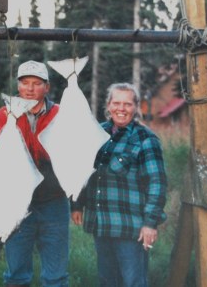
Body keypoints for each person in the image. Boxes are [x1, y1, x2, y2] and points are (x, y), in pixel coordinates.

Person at [0, 60, 70, 287]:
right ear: (18, 86)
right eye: (25, 83)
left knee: (56, 276)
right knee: (16, 274)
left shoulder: (61, 114)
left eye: (36, 83)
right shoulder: (4, 114)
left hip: (54, 203)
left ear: (47, 87)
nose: (30, 89)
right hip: (15, 203)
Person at [71, 82, 167, 287]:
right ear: (108, 105)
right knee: (107, 282)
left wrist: (150, 223)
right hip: (101, 224)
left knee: (133, 282)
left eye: (127, 104)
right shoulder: (97, 133)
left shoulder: (145, 139)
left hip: (131, 229)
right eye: (116, 103)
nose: (121, 109)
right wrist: (77, 204)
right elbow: (82, 171)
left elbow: (157, 184)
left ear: (136, 107)